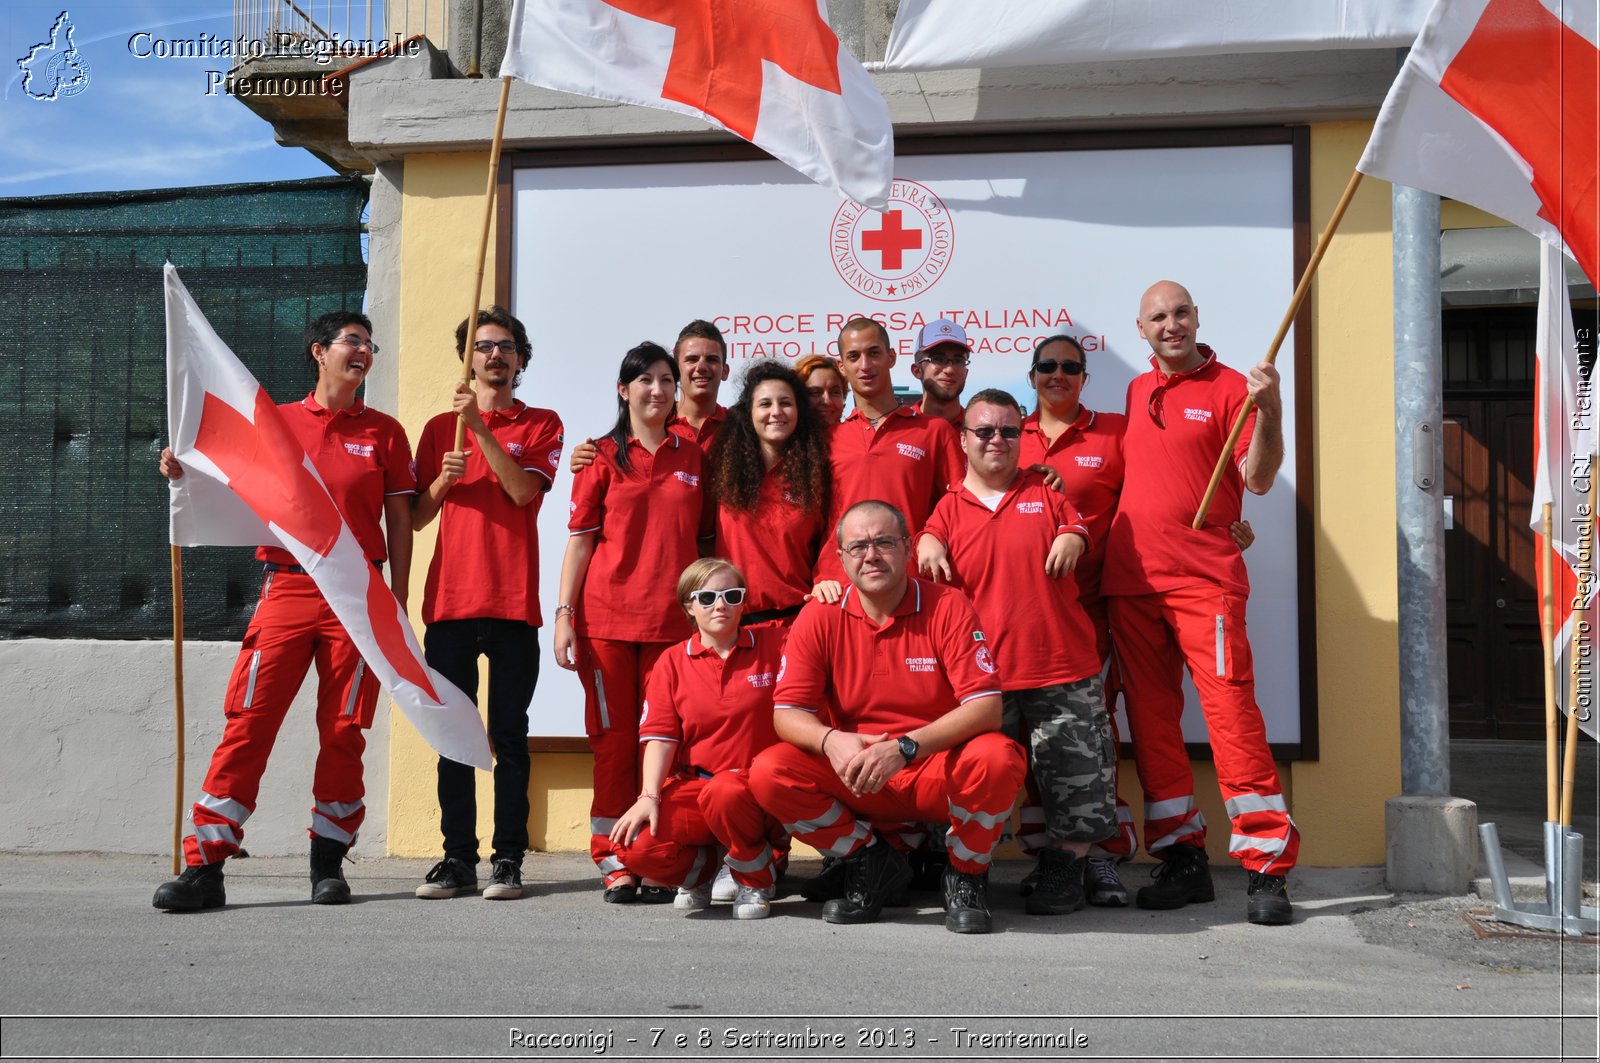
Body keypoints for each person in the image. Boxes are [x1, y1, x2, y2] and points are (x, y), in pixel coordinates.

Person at [152, 311, 415, 910]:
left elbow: (398, 519)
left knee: (345, 730)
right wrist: (179, 469)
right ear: (318, 352)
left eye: (371, 344)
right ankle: (206, 868)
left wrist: (397, 597)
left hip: (357, 594)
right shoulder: (275, 420)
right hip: (287, 588)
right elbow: (224, 477)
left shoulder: (385, 433)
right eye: (353, 341)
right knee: (249, 720)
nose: (364, 351)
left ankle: (328, 864)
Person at [1020, 332, 1257, 907]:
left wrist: (1227, 520)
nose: (1058, 374)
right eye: (1047, 366)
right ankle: (1051, 854)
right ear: (1031, 376)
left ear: (1084, 376)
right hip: (1030, 615)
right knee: (1045, 737)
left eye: (1070, 366)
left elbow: (1168, 484)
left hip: (1103, 603)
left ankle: (1104, 855)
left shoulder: (1115, 429)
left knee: (1100, 736)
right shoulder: (1003, 435)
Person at [1103, 279, 1297, 926]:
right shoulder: (1135, 389)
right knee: (1153, 725)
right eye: (1158, 316)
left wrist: (1270, 410)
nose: (1171, 324)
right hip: (1131, 585)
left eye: (1180, 311)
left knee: (1231, 715)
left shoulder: (1234, 389)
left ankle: (1267, 865)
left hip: (1203, 584)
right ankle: (1182, 856)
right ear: (1141, 328)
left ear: (1196, 316)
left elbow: (1261, 479)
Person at [747, 500, 1027, 934]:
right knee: (770, 771)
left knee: (998, 758)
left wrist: (906, 747)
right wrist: (829, 740)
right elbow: (788, 712)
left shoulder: (948, 606)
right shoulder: (819, 615)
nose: (871, 555)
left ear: (908, 547)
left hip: (931, 767)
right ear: (840, 559)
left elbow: (986, 707)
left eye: (883, 542)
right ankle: (870, 863)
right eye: (857, 546)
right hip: (858, 771)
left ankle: (966, 875)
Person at [918, 389, 1114, 916]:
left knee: (1076, 776)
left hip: (1061, 666)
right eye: (984, 431)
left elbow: (1076, 527)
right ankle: (968, 874)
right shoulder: (947, 508)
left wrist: (1074, 537)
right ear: (964, 439)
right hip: (982, 682)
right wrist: (927, 541)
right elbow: (924, 548)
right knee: (976, 779)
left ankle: (1066, 868)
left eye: (1007, 430)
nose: (997, 441)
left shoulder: (1046, 491)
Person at [410, 307, 563, 902]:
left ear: (521, 359)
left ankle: (508, 859)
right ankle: (456, 859)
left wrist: (478, 428)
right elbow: (419, 518)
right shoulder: (434, 429)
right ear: (467, 360)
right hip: (449, 603)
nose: (494, 355)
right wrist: (444, 482)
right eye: (482, 346)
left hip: (512, 605)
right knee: (454, 737)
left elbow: (524, 490)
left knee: (509, 736)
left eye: (505, 346)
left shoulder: (542, 423)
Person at [555, 341, 712, 903]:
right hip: (607, 627)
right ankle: (612, 857)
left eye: (666, 380)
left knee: (667, 744)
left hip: (675, 629)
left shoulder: (692, 455)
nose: (657, 389)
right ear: (623, 390)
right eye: (645, 380)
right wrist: (565, 616)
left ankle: (660, 854)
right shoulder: (598, 456)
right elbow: (579, 544)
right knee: (614, 744)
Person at [609, 559, 788, 919]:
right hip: (699, 787)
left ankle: (755, 880)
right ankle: (705, 872)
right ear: (688, 606)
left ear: (743, 603)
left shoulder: (777, 642)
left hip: (759, 792)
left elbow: (827, 627)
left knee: (728, 791)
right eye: (706, 597)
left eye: (731, 595)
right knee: (636, 848)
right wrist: (649, 796)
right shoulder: (671, 662)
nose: (719, 605)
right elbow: (660, 737)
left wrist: (828, 591)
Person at [819, 317, 964, 585]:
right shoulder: (827, 439)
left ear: (892, 357)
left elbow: (958, 507)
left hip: (911, 586)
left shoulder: (934, 431)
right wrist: (821, 579)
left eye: (874, 353)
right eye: (854, 356)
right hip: (838, 587)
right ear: (841, 366)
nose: (865, 365)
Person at [711, 360, 831, 630]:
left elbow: (830, 542)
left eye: (785, 403)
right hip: (731, 627)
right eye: (765, 404)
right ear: (749, 412)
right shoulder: (722, 469)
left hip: (796, 624)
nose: (776, 412)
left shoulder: (817, 474)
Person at [569, 320, 729, 474]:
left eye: (712, 359)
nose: (701, 367)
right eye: (691, 359)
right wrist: (592, 456)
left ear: (725, 371)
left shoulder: (741, 427)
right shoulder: (650, 424)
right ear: (676, 370)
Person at [909, 317, 971, 426]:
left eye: (958, 361)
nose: (949, 370)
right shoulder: (899, 429)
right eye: (937, 359)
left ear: (966, 373)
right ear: (917, 370)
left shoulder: (979, 430)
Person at [795, 353, 847, 426]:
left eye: (835, 392)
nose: (827, 401)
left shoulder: (859, 435)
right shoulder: (782, 436)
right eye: (815, 392)